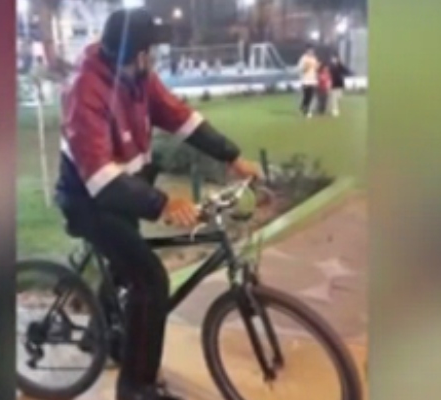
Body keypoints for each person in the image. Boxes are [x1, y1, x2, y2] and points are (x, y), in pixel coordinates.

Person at [54, 8, 260, 400]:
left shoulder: (137, 78)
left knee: (126, 268)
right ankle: (136, 387)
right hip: (89, 202)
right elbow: (99, 177)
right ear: (136, 54)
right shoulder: (86, 90)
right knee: (150, 280)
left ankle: (105, 336)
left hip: (123, 193)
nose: (155, 57)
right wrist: (163, 203)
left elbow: (181, 117)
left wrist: (232, 156)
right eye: (151, 49)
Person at [297, 47, 319, 118]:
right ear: (307, 51)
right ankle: (303, 107)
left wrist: (317, 67)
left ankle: (308, 110)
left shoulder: (314, 59)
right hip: (305, 80)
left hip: (313, 80)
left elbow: (315, 68)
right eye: (309, 51)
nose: (311, 52)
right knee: (306, 96)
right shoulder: (303, 58)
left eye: (312, 51)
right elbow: (299, 69)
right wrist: (305, 68)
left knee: (311, 96)